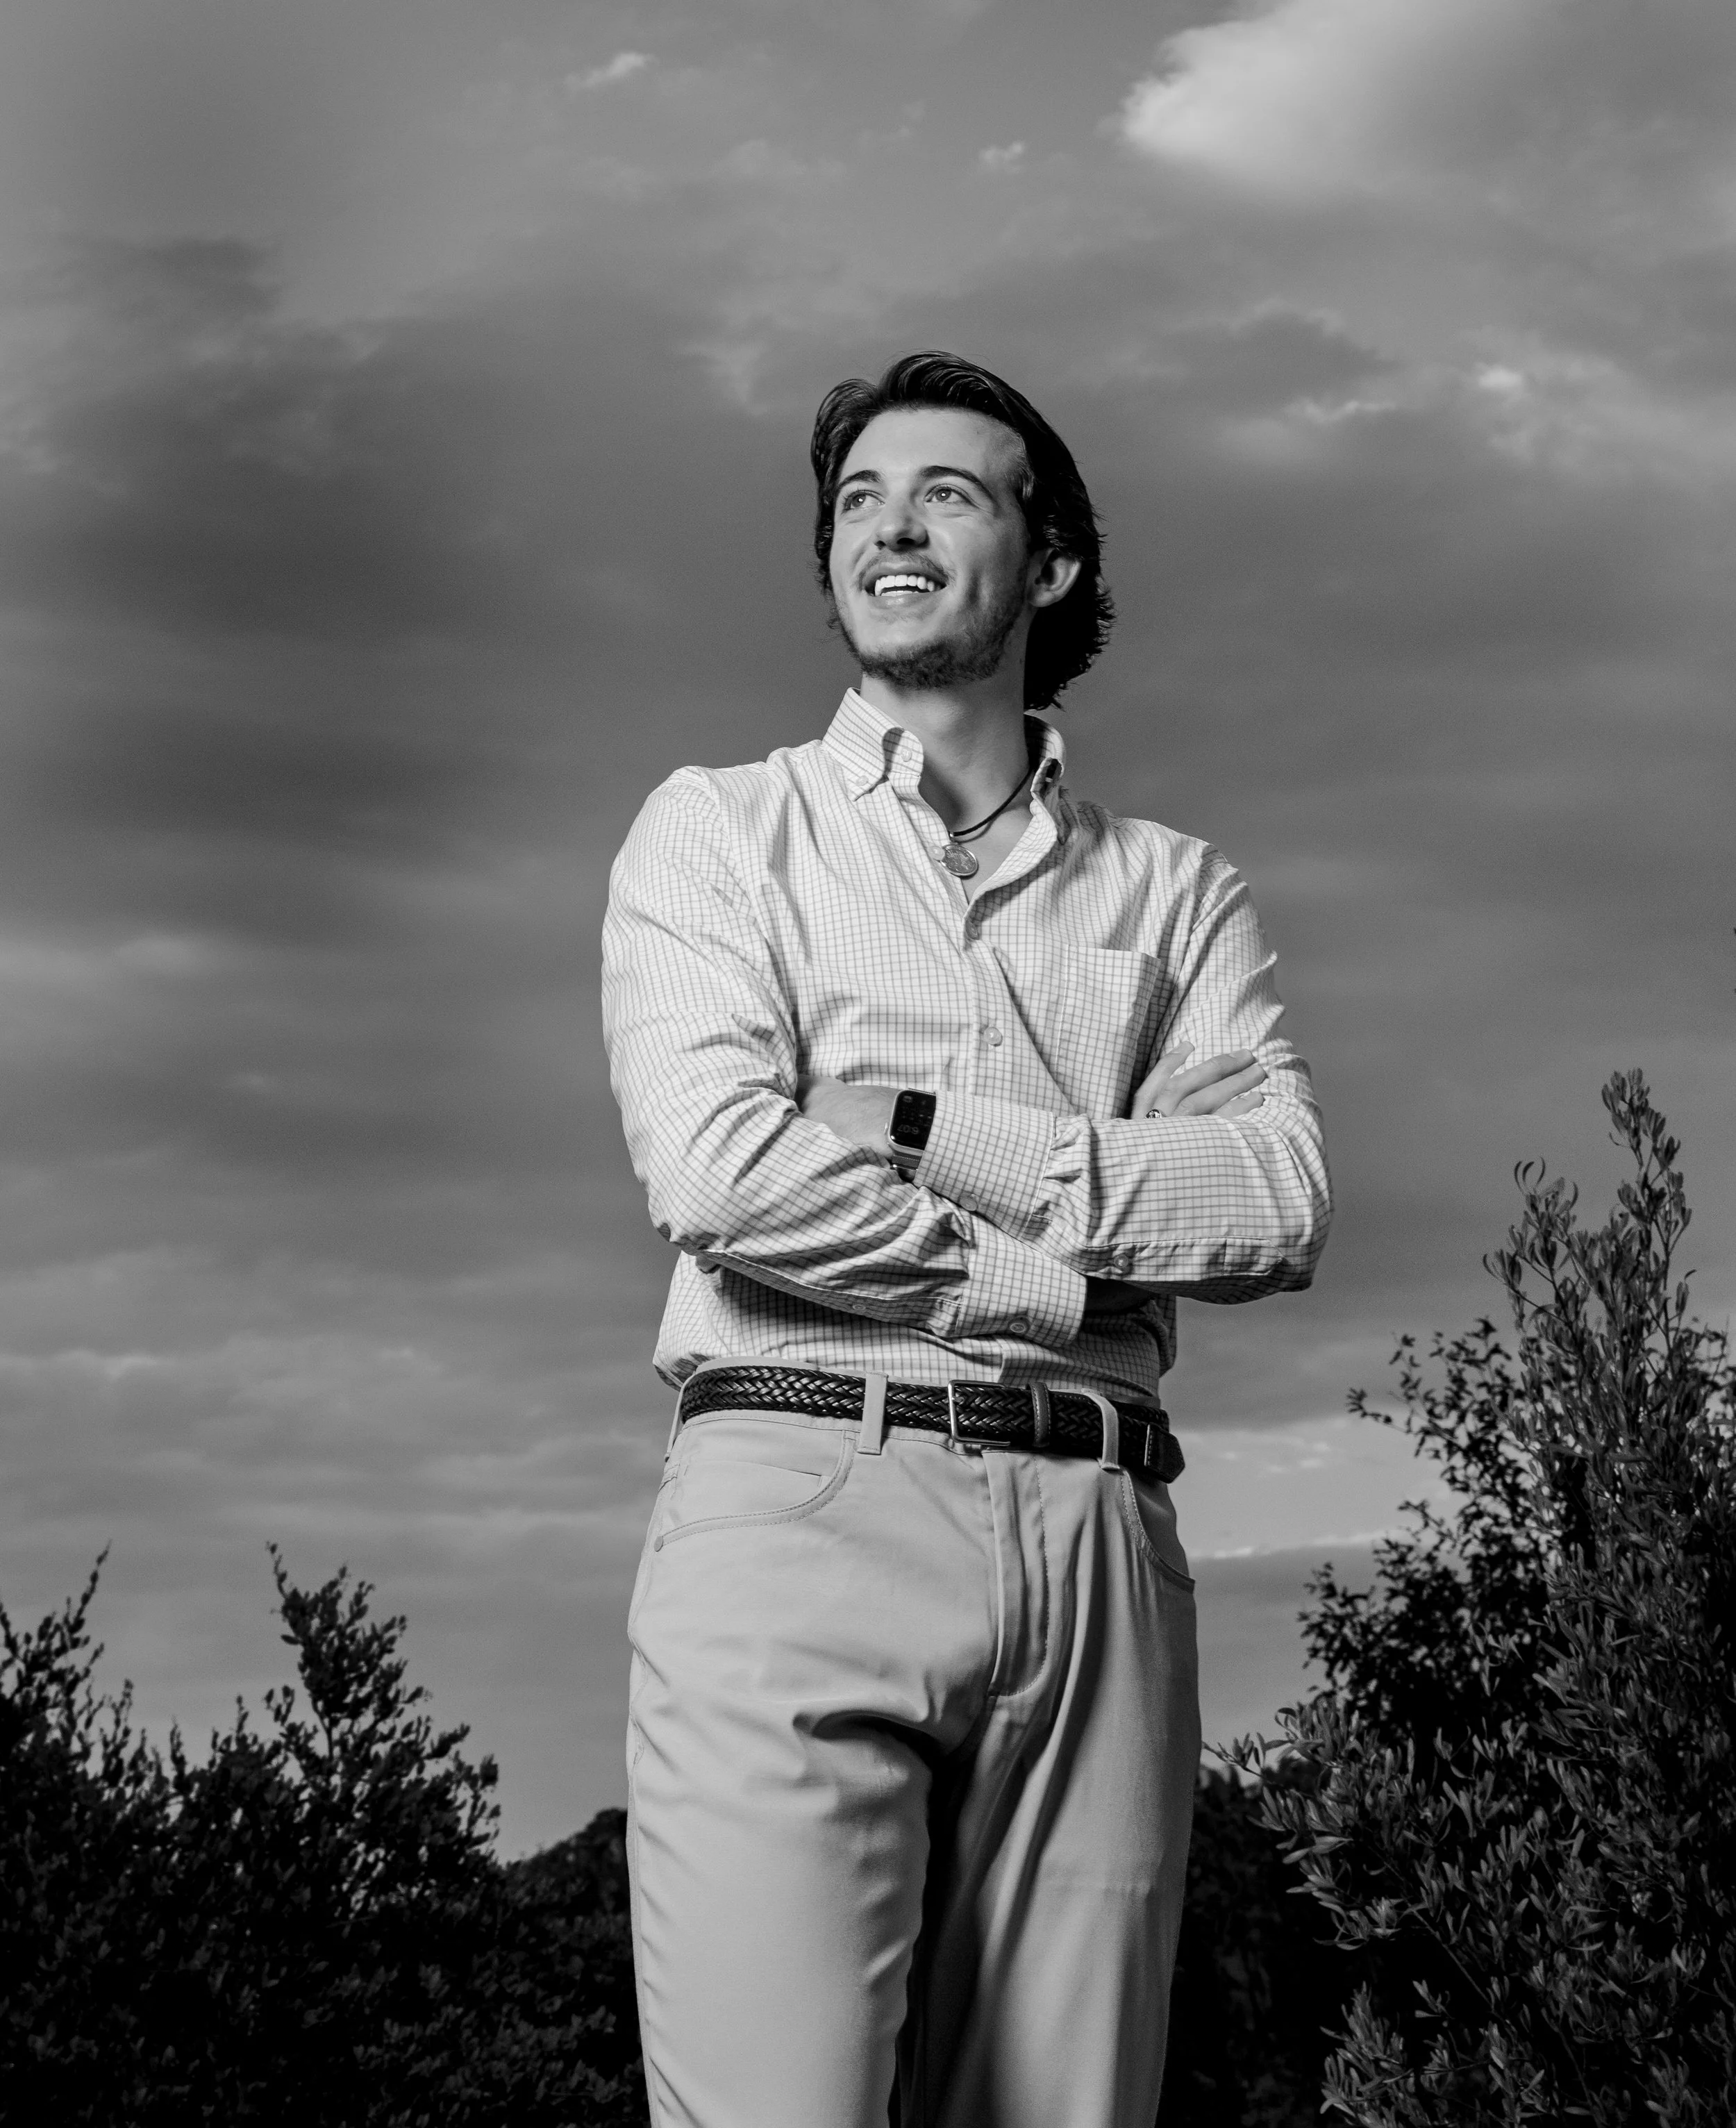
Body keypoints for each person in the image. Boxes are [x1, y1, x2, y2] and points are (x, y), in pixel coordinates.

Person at [601, 350, 1330, 2128]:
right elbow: (719, 1171)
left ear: (1053, 558)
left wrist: (931, 1129)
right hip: (797, 1488)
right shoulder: (718, 832)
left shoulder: (1174, 892)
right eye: (857, 498)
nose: (889, 524)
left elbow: (1277, 1197)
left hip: (1096, 1536)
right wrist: (1054, 1279)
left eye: (946, 490)